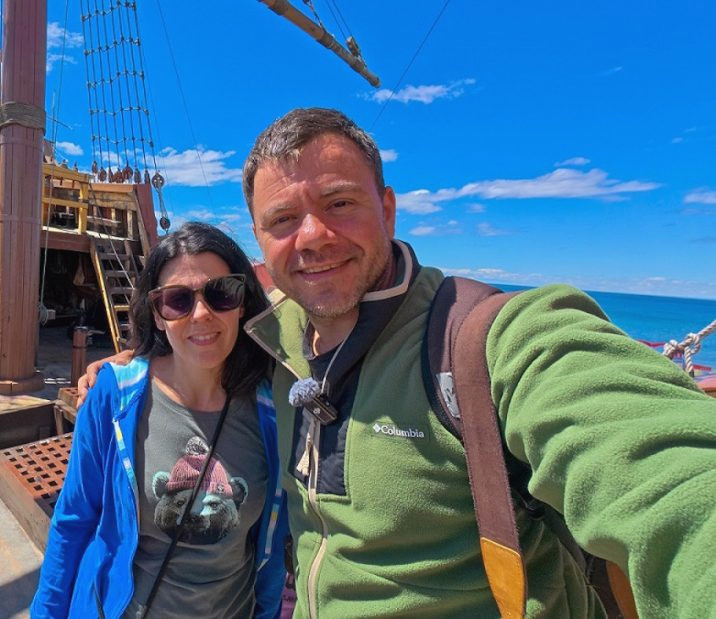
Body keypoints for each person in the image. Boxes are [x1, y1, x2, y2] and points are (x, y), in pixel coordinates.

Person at [80, 108, 716, 617]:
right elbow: (198, 334)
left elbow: (670, 482)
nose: (312, 236)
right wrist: (134, 364)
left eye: (339, 203)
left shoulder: (489, 339)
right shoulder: (273, 336)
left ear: (386, 209)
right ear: (261, 241)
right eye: (283, 219)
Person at [31, 222, 289, 619]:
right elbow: (74, 520)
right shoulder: (115, 397)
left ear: (242, 303)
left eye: (221, 293)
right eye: (177, 300)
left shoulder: (273, 409)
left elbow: (271, 541)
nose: (201, 314)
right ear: (157, 314)